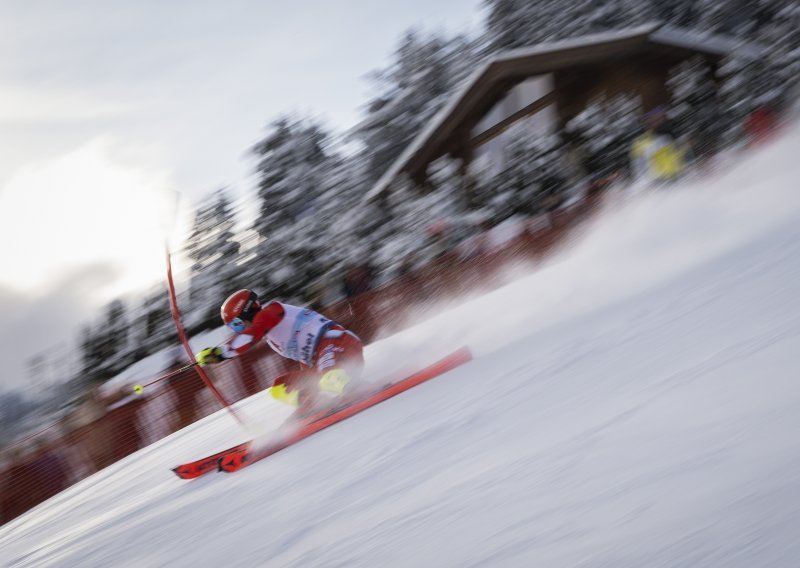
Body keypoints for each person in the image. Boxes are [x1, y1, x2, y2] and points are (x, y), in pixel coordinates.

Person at [195, 289, 364, 412]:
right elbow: (306, 358)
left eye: (236, 324)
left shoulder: (271, 312)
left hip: (338, 343)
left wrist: (221, 353)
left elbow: (251, 336)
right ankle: (314, 404)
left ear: (246, 312)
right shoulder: (270, 334)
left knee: (329, 378)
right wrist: (308, 386)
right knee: (279, 388)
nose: (238, 330)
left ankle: (357, 389)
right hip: (322, 359)